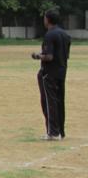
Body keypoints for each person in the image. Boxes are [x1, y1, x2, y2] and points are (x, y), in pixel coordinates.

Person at [32, 9, 71, 141]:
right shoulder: (65, 35)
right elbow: (65, 55)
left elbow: (49, 56)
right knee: (59, 101)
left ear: (47, 20)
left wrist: (37, 56)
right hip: (61, 71)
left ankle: (53, 132)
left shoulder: (50, 35)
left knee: (49, 102)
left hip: (49, 73)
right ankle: (60, 131)